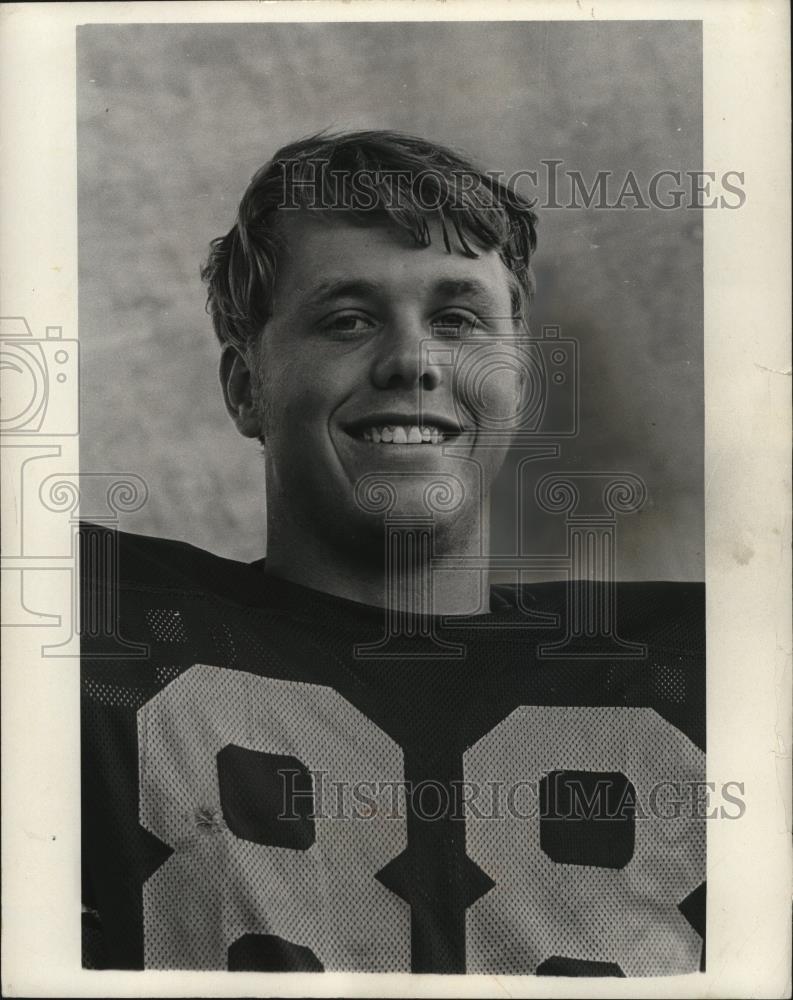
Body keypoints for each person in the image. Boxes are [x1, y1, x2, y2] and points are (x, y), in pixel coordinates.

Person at [80, 130, 705, 976]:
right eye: (347, 320)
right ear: (244, 388)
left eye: (456, 319)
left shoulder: (711, 660)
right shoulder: (96, 621)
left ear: (516, 379)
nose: (411, 360)